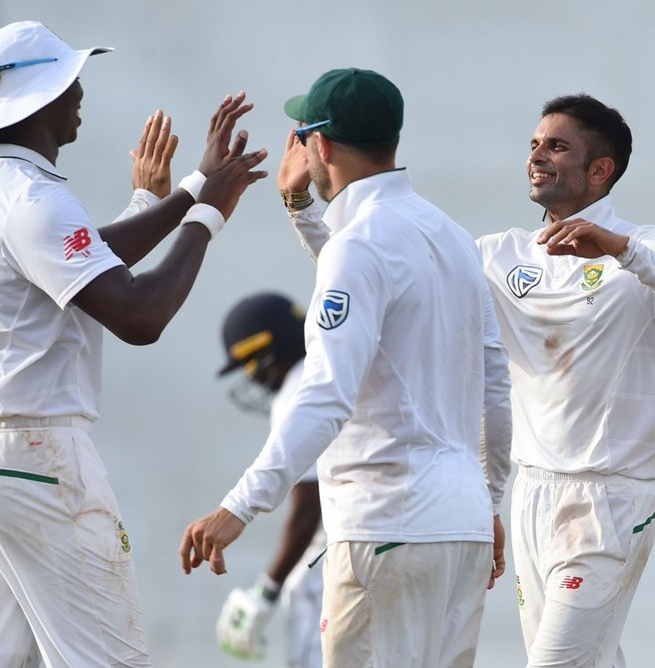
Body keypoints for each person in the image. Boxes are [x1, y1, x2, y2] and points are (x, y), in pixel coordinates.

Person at [0, 20, 268, 667]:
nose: (80, 93)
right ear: (42, 100)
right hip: (35, 465)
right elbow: (140, 315)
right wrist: (207, 215)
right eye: (69, 81)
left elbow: (84, 258)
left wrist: (192, 186)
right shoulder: (34, 198)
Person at [181, 68, 512, 668]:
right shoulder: (454, 238)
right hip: (460, 524)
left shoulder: (359, 245)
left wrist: (240, 505)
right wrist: (487, 502)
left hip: (386, 524)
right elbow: (494, 384)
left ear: (322, 145)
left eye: (302, 137)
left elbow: (327, 393)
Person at [474, 94, 655, 666]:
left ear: (600, 170)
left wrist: (622, 251)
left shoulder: (644, 248)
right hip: (532, 494)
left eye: (556, 146)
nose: (536, 156)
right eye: (534, 144)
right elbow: (395, 281)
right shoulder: (499, 254)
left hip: (610, 501)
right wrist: (305, 210)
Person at [215, 292, 325, 667]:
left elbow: (309, 508)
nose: (252, 376)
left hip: (335, 561)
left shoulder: (296, 391)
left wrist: (268, 589)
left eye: (249, 364)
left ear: (269, 350)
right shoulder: (331, 370)